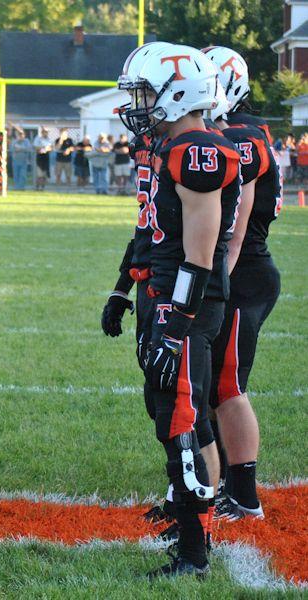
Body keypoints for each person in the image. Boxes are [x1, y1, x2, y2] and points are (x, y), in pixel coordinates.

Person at [123, 44, 240, 579]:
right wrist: (125, 291)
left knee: (182, 420)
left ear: (176, 91)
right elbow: (154, 235)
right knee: (165, 413)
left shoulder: (198, 151)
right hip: (166, 299)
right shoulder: (173, 147)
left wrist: (173, 326)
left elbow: (199, 253)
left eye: (145, 93)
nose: (139, 105)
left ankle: (194, 554)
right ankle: (187, 528)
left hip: (186, 306)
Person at [204, 45, 282, 523]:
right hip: (235, 269)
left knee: (228, 385)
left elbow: (234, 231)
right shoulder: (228, 132)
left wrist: (212, 284)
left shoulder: (241, 136)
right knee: (213, 384)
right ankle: (216, 485)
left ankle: (244, 495)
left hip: (243, 273)